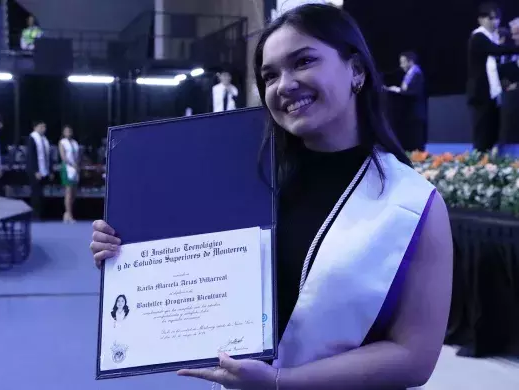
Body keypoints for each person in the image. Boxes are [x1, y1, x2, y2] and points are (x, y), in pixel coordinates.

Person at [90, 4, 453, 390]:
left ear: (356, 70)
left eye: (304, 61)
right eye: (270, 75)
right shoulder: (245, 182)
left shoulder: (412, 205)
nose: (284, 84)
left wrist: (282, 382)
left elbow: (414, 356)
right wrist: (126, 257)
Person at [466, 2, 519, 152]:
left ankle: (488, 162)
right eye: (491, 18)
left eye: (497, 19)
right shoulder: (479, 36)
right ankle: (479, 163)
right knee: (482, 131)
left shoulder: (492, 37)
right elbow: (496, 51)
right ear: (481, 20)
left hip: (491, 93)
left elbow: (499, 68)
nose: (495, 22)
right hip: (480, 93)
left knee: (491, 130)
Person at [386, 51, 427, 151]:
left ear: (410, 62)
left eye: (403, 62)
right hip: (408, 114)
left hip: (415, 113)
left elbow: (415, 93)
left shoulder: (417, 73)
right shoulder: (410, 74)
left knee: (416, 142)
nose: (401, 65)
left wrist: (398, 90)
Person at [26, 121, 50, 220]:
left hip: (44, 170)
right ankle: (35, 215)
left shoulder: (44, 139)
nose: (44, 129)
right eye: (41, 127)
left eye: (44, 127)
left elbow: (47, 156)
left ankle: (41, 214)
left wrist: (50, 170)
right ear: (35, 127)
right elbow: (31, 156)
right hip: (35, 171)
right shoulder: (32, 138)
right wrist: (35, 171)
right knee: (35, 193)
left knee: (41, 194)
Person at [58, 125, 80, 223]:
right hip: (67, 168)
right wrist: (72, 164)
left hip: (75, 168)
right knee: (68, 192)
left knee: (74, 193)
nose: (68, 133)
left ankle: (67, 213)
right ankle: (69, 214)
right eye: (66, 131)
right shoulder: (62, 142)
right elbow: (63, 157)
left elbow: (78, 155)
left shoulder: (75, 143)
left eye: (70, 131)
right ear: (63, 133)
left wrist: (77, 165)